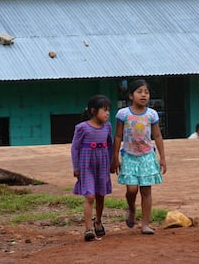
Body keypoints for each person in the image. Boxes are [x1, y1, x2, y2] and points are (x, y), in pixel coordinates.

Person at [112, 80, 167, 235]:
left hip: (147, 156)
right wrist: (115, 156)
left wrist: (162, 157)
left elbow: (157, 135)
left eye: (146, 92)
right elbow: (117, 136)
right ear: (131, 95)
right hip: (129, 155)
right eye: (139, 91)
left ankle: (145, 224)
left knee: (146, 190)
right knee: (131, 189)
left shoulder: (152, 114)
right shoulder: (123, 114)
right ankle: (131, 207)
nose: (143, 95)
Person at [71, 95, 113, 241]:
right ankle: (88, 229)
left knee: (101, 195)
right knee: (89, 195)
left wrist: (112, 163)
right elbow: (75, 148)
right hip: (86, 164)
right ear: (93, 111)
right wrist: (76, 168)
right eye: (104, 110)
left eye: (108, 110)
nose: (107, 113)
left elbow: (110, 145)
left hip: (102, 164)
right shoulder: (82, 128)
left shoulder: (107, 126)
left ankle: (98, 221)